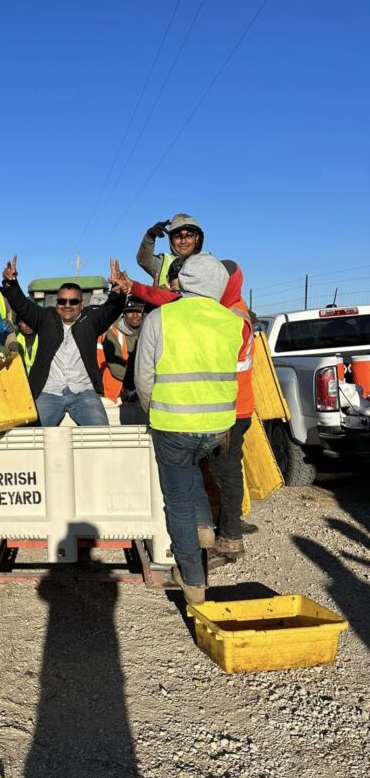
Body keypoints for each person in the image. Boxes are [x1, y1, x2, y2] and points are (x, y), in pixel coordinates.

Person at [134, 253, 243, 604]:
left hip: (173, 423)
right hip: (218, 425)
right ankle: (204, 530)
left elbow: (144, 378)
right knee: (194, 467)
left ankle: (193, 581)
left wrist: (154, 412)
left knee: (177, 500)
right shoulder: (232, 322)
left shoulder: (160, 317)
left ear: (186, 281)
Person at [2, 256, 126, 426]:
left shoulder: (90, 320)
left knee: (101, 435)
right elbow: (22, 305)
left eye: (73, 301)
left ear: (81, 304)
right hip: (48, 392)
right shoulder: (45, 318)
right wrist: (11, 284)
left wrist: (118, 292)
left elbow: (111, 310)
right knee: (34, 436)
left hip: (84, 392)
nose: (67, 305)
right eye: (62, 301)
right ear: (56, 303)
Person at [207, 260, 255, 560]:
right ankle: (226, 527)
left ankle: (229, 537)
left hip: (230, 409)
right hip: (232, 406)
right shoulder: (229, 309)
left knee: (225, 472)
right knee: (221, 469)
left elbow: (218, 367)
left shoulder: (232, 317)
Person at [98, 295, 146, 402]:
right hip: (117, 394)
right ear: (124, 314)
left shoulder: (149, 330)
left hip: (142, 390)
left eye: (138, 312)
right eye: (130, 311)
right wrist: (138, 383)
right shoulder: (113, 332)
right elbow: (115, 367)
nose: (134, 315)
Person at [136, 214, 204, 286]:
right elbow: (143, 261)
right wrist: (149, 237)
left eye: (189, 236)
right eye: (177, 236)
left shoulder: (209, 262)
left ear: (197, 237)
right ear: (171, 240)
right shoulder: (163, 262)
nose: (183, 242)